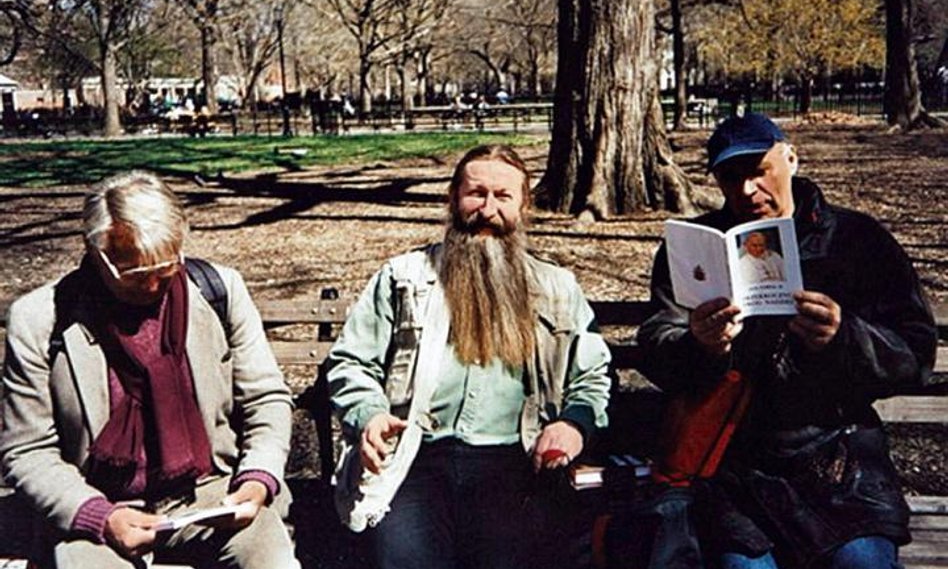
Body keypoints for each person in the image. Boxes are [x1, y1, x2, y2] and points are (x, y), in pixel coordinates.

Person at [636, 113, 936, 569]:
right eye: (731, 178)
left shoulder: (857, 240)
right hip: (734, 470)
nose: (747, 191)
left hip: (840, 463)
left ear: (791, 159)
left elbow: (915, 352)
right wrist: (701, 344)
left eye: (759, 171)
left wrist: (845, 337)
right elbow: (659, 340)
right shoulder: (697, 246)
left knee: (862, 563)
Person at [327, 144, 611, 569]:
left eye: (503, 197)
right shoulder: (406, 277)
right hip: (415, 457)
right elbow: (352, 361)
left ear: (524, 205)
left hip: (515, 462)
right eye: (476, 193)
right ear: (453, 198)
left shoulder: (556, 287)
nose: (487, 209)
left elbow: (592, 377)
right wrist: (368, 414)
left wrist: (574, 424)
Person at [0, 172, 299, 569]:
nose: (156, 285)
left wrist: (257, 477)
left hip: (212, 493)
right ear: (95, 251)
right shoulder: (39, 320)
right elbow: (27, 449)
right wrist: (99, 516)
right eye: (138, 275)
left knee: (270, 557)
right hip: (100, 503)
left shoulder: (218, 291)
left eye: (168, 266)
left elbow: (266, 399)